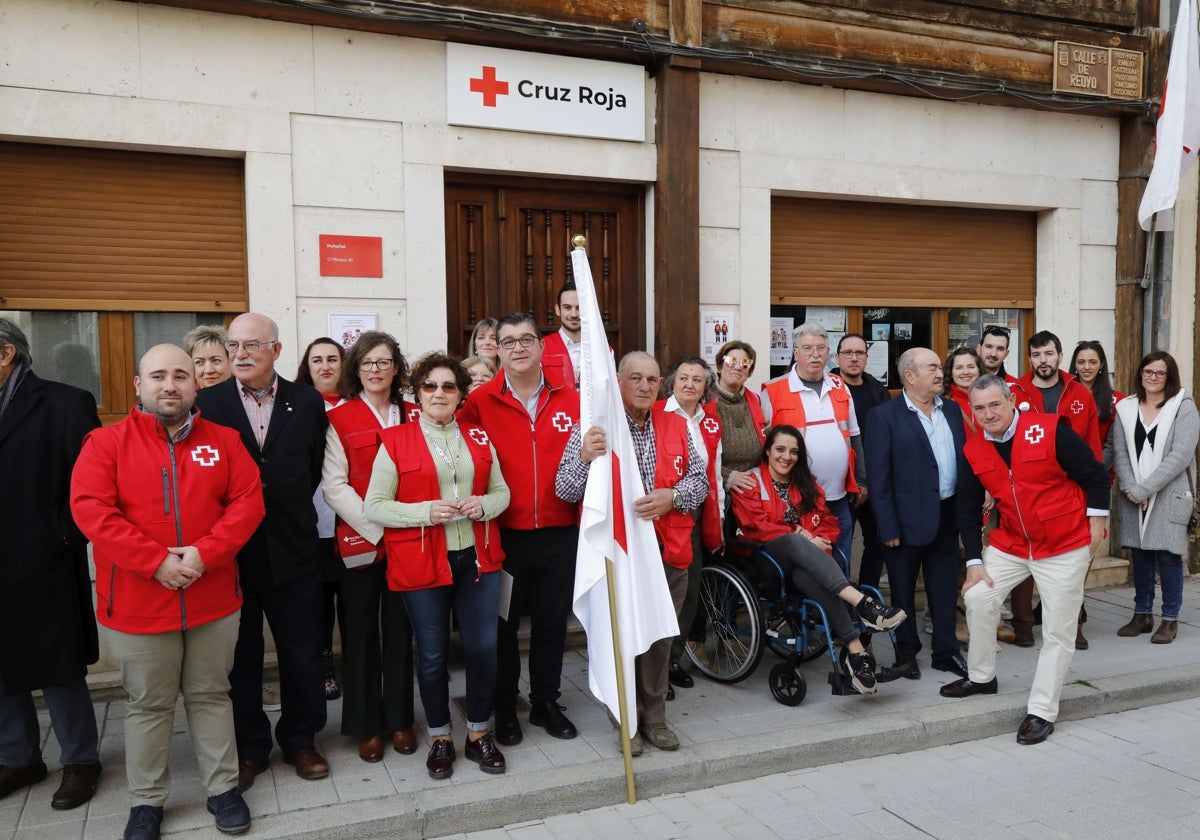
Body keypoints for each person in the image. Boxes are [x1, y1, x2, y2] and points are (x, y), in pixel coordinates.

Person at [70, 344, 265, 840]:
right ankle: (146, 803)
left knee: (210, 696)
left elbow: (247, 502)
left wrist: (204, 554)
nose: (170, 384)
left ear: (196, 384)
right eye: (158, 376)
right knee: (148, 705)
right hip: (137, 603)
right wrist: (154, 561)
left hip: (212, 595)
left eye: (181, 375)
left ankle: (222, 790)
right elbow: (92, 510)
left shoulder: (225, 440)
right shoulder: (104, 443)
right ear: (139, 385)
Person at [194, 313, 330, 789]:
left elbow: (309, 470)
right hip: (232, 554)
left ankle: (301, 739)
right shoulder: (206, 403)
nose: (240, 354)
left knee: (302, 651)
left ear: (276, 348)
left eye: (252, 344)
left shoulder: (307, 402)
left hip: (294, 548)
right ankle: (250, 747)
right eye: (234, 345)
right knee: (241, 656)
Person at [364, 353, 511, 780]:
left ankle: (480, 733)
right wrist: (425, 511)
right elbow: (375, 506)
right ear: (417, 393)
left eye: (449, 386)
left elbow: (502, 492)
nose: (439, 394)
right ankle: (441, 736)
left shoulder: (480, 438)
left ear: (461, 393)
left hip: (479, 558)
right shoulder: (395, 441)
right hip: (423, 560)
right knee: (431, 656)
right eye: (430, 386)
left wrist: (483, 504)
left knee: (483, 648)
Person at [943, 375, 1109, 746]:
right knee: (977, 597)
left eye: (995, 405)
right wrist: (974, 561)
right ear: (972, 411)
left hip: (1065, 544)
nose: (988, 414)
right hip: (1013, 543)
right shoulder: (974, 449)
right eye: (980, 408)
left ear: (1010, 400)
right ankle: (983, 677)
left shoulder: (1049, 430)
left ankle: (1042, 710)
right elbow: (967, 510)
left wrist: (1097, 522)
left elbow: (1095, 475)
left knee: (1057, 630)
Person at [556, 352, 708, 754]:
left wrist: (672, 496)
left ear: (662, 385)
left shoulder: (677, 424)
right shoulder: (595, 429)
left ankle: (655, 718)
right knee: (621, 637)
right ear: (618, 381)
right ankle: (626, 721)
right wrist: (586, 456)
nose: (644, 386)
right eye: (635, 378)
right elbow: (566, 490)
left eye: (653, 379)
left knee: (658, 638)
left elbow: (700, 483)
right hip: (618, 558)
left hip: (667, 552)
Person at [458, 312, 581, 746]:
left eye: (526, 339)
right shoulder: (479, 403)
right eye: (507, 341)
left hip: (559, 530)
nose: (518, 348)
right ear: (497, 349)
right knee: (503, 628)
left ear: (542, 346)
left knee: (551, 624)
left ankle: (546, 701)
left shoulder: (573, 399)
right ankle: (505, 706)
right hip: (501, 534)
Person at [0, 318, 103, 812]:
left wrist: (62, 536)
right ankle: (19, 758)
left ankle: (81, 760)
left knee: (59, 667)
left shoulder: (65, 402)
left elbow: (94, 484)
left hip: (44, 559)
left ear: (6, 355)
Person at [731, 425, 906, 695]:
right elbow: (755, 525)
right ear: (767, 451)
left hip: (803, 565)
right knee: (793, 541)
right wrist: (802, 537)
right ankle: (863, 604)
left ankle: (856, 654)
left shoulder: (805, 483)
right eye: (780, 449)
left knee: (810, 577)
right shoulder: (751, 481)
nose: (786, 456)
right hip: (764, 563)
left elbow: (828, 521)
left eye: (793, 451)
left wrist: (815, 538)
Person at [321, 332, 417, 762]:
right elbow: (334, 487)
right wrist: (381, 525)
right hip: (363, 540)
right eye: (367, 363)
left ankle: (399, 720)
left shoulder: (416, 414)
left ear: (396, 368)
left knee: (401, 634)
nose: (376, 370)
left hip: (414, 543)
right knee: (359, 636)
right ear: (355, 370)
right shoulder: (338, 418)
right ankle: (365, 725)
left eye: (384, 362)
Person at [866, 348, 969, 683]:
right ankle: (906, 655)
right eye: (933, 368)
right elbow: (879, 478)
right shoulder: (884, 417)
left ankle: (945, 651)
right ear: (909, 376)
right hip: (904, 521)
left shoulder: (952, 410)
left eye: (941, 367)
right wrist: (887, 526)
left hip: (946, 515)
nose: (941, 373)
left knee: (943, 589)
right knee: (902, 592)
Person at [1008, 330, 1101, 648]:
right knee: (1024, 559)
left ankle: (1071, 625)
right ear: (1030, 358)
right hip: (1027, 492)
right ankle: (1023, 623)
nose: (1042, 360)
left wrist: (1093, 493)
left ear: (1060, 356)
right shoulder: (1016, 393)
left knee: (1070, 565)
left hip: (1070, 493)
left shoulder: (1079, 393)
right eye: (1035, 354)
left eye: (1048, 353)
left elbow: (1092, 448)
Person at [1108, 352, 1199, 645]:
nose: (1153, 377)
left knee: (1168, 557)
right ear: (1140, 374)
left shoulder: (1182, 408)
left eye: (1160, 373)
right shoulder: (1126, 408)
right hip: (1133, 493)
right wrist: (1132, 488)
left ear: (1170, 377)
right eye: (1148, 371)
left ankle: (1170, 619)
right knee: (1141, 554)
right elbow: (1120, 451)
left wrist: (1146, 489)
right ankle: (1142, 614)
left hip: (1169, 493)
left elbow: (1181, 456)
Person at [760, 323, 865, 566]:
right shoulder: (774, 390)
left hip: (839, 496)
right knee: (809, 566)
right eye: (807, 348)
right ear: (795, 353)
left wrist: (861, 480)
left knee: (841, 560)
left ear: (829, 352)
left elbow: (855, 436)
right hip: (797, 499)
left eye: (820, 348)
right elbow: (762, 445)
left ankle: (842, 604)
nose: (815, 354)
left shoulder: (840, 386)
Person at [654, 356, 724, 695]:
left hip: (693, 517)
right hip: (658, 518)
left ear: (705, 387)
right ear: (672, 381)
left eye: (697, 379)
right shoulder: (656, 415)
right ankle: (652, 671)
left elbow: (715, 474)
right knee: (660, 595)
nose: (690, 384)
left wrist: (719, 517)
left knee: (688, 594)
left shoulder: (710, 422)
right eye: (683, 377)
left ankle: (673, 662)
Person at [297, 337, 347, 703]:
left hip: (349, 522)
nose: (325, 366)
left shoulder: (355, 404)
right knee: (316, 605)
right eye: (317, 360)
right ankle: (323, 666)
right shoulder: (297, 406)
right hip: (311, 522)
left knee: (350, 601)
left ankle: (356, 664)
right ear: (307, 366)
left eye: (333, 359)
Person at [831, 333, 891, 590]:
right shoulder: (827, 386)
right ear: (837, 357)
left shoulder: (877, 390)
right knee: (837, 544)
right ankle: (839, 597)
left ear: (867, 358)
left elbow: (889, 435)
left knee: (877, 542)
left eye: (860, 353)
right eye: (848, 353)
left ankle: (868, 597)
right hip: (838, 482)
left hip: (873, 481)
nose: (854, 358)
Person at [713, 340, 766, 492]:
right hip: (718, 491)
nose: (737, 367)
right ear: (719, 365)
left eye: (745, 363)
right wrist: (727, 476)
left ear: (749, 372)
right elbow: (695, 455)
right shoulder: (704, 401)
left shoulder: (756, 400)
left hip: (752, 489)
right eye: (731, 361)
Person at [1070, 340, 1124, 449]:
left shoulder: (1118, 401)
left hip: (1102, 463)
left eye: (1093, 362)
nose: (1086, 367)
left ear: (1101, 364)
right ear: (1075, 365)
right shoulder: (1063, 397)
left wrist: (1097, 465)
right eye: (1081, 362)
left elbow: (1115, 444)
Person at [541, 282, 582, 388]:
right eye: (567, 308)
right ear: (558, 310)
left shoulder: (603, 349)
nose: (574, 314)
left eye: (579, 308)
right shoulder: (541, 347)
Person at [944, 347, 984, 437]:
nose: (965, 372)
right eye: (959, 368)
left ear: (979, 370)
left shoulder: (990, 398)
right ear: (951, 372)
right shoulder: (942, 402)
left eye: (971, 367)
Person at [184, 325, 232, 389]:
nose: (208, 370)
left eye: (216, 360)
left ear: (231, 362)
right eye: (199, 362)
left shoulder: (245, 397)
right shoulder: (185, 398)